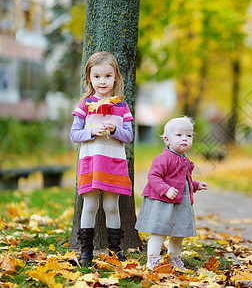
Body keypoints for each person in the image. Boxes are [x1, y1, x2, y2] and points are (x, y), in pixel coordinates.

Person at [69, 51, 134, 266]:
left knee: (112, 206)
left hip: (113, 163)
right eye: (97, 76)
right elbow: (74, 135)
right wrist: (92, 130)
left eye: (107, 76)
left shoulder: (122, 106)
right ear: (89, 78)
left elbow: (129, 136)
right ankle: (86, 252)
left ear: (116, 76)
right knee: (89, 206)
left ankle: (115, 251)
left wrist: (116, 129)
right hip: (91, 163)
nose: (102, 81)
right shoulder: (84, 105)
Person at [135, 116, 208, 270]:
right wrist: (166, 189)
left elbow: (184, 181)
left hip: (180, 204)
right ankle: (152, 260)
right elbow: (153, 177)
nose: (185, 139)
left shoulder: (185, 160)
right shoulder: (163, 158)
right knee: (159, 232)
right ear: (167, 140)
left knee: (179, 233)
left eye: (189, 135)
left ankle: (174, 258)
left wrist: (195, 185)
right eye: (179, 135)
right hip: (162, 202)